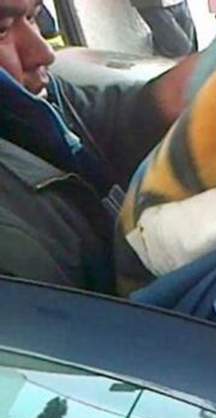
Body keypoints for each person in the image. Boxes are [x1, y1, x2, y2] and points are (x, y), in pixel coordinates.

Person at [0, 0, 196, 291]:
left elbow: (116, 119)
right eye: (2, 30)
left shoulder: (38, 105)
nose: (44, 53)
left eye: (33, 17)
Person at [130, 0, 198, 58]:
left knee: (192, 49)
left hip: (178, 3)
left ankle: (160, 44)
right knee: (182, 48)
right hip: (151, 4)